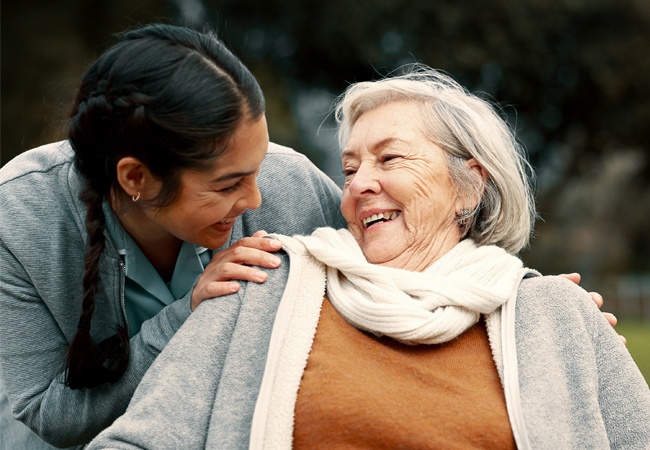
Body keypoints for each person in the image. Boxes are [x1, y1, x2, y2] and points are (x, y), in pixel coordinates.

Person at [87, 65, 649, 450]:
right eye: (351, 169)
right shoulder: (263, 285)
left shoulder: (555, 313)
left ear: (470, 186)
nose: (358, 187)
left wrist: (568, 325)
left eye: (390, 159)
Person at [0, 24, 346, 449]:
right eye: (227, 185)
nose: (255, 200)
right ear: (135, 177)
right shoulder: (18, 216)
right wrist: (189, 313)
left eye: (258, 168)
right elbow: (48, 415)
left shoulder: (291, 184)